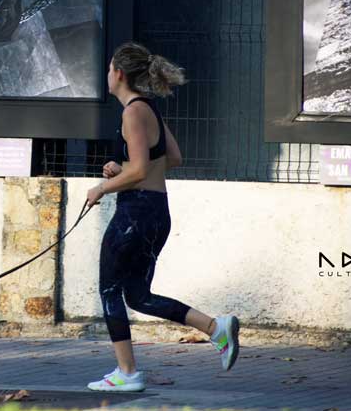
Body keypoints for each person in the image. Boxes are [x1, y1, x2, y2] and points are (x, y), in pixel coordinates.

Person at [85, 42, 240, 392]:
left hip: (135, 213)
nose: (107, 74)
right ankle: (217, 328)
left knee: (110, 289)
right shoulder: (147, 109)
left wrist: (102, 189)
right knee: (137, 296)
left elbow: (140, 170)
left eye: (110, 68)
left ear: (119, 74)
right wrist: (120, 168)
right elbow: (173, 157)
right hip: (155, 213)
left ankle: (126, 373)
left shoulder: (132, 112)